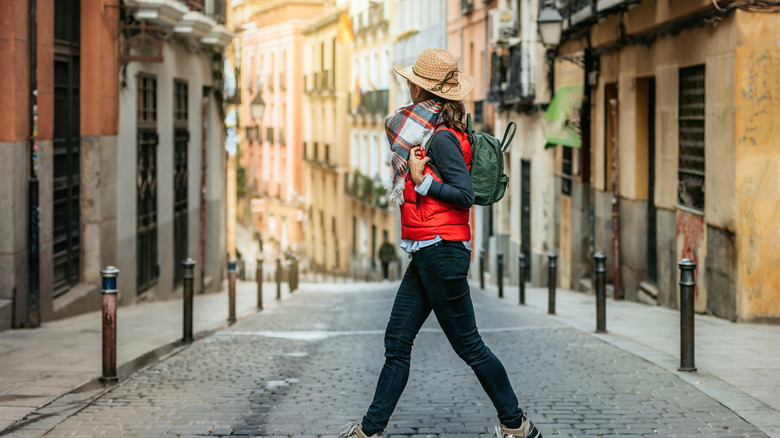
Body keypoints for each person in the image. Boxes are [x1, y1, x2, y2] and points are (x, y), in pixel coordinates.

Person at [338, 49, 540, 438]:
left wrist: (421, 180)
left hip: (441, 249)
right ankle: (369, 431)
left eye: (411, 81)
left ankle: (516, 424)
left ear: (419, 87)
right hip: (430, 250)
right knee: (397, 340)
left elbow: (464, 195)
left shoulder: (442, 138)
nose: (408, 86)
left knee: (470, 346)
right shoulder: (434, 131)